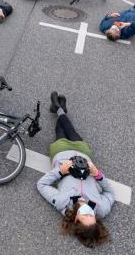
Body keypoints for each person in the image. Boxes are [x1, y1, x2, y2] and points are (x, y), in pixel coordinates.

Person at [37, 92, 113, 248]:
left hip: (61, 154)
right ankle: (59, 109)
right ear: (96, 220)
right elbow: (110, 193)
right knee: (69, 128)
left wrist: (60, 171)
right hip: (83, 154)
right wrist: (97, 175)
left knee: (60, 130)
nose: (89, 211)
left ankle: (59, 109)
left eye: (85, 215)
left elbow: (41, 185)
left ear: (76, 220)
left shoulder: (61, 203)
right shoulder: (102, 208)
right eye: (91, 216)